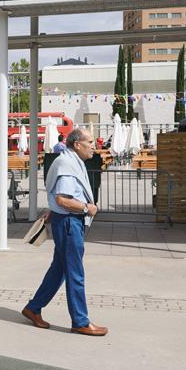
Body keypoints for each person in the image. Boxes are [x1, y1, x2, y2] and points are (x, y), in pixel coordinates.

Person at [22, 127, 108, 336]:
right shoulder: (68, 164)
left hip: (66, 221)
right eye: (90, 143)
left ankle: (33, 308)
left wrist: (55, 211)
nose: (94, 148)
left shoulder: (67, 160)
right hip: (70, 223)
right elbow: (63, 199)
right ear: (77, 144)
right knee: (75, 273)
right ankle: (80, 321)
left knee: (59, 270)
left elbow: (59, 197)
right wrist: (88, 208)